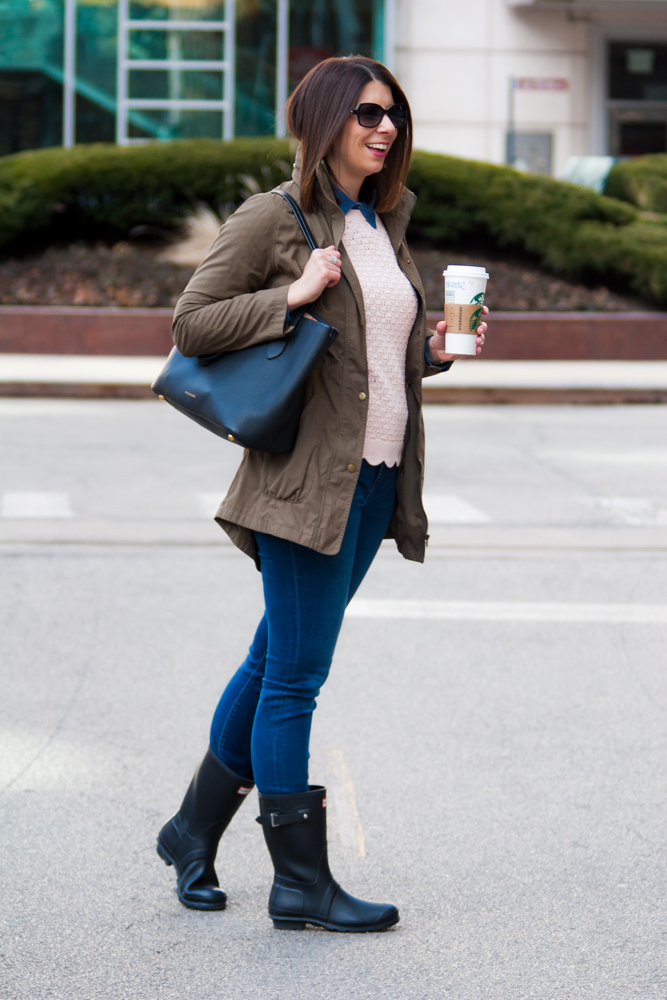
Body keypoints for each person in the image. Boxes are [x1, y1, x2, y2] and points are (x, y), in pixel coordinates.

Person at [156, 55, 488, 933]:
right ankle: (299, 884)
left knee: (273, 661)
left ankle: (191, 829)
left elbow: (364, 357)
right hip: (305, 487)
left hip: (373, 484)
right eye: (369, 115)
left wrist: (432, 353)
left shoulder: (381, 223)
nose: (385, 130)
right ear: (327, 120)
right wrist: (291, 291)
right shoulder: (275, 218)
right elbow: (190, 323)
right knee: (295, 680)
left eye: (394, 118)